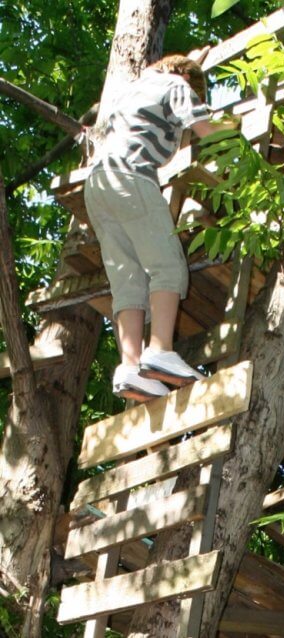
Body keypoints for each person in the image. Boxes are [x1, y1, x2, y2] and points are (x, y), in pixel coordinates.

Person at [84, 54, 235, 401]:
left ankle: (131, 367)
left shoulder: (132, 93)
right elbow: (205, 130)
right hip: (131, 178)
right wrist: (232, 131)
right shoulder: (175, 85)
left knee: (129, 278)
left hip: (99, 186)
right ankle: (161, 351)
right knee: (167, 266)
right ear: (184, 75)